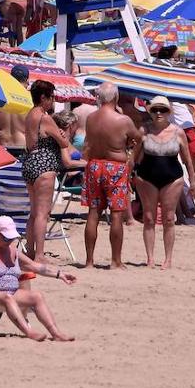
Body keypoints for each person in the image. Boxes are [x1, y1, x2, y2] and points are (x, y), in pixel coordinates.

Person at [0, 216, 76, 341]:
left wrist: (60, 274)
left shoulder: (11, 250)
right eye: (6, 238)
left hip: (9, 292)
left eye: (11, 238)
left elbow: (34, 266)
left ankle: (56, 333)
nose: (9, 241)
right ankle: (29, 331)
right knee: (7, 298)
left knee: (37, 296)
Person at [22, 81, 85, 262]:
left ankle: (30, 251)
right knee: (43, 213)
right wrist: (62, 136)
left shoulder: (30, 115)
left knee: (34, 213)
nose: (53, 101)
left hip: (29, 163)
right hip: (44, 166)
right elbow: (64, 143)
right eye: (52, 97)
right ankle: (40, 255)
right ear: (44, 98)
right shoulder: (44, 117)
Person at [81, 82, 140, 269]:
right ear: (115, 97)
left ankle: (89, 261)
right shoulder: (122, 120)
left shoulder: (91, 118)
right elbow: (138, 138)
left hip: (94, 165)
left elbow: (88, 144)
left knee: (93, 213)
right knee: (116, 214)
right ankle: (116, 260)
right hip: (115, 167)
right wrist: (131, 157)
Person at [133, 96, 195, 269]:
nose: (159, 113)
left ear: (169, 112)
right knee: (149, 218)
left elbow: (188, 161)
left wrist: (194, 184)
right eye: (155, 110)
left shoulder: (178, 132)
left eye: (163, 110)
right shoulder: (144, 130)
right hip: (146, 178)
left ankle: (168, 259)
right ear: (150, 111)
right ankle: (150, 258)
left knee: (169, 218)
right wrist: (128, 177)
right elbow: (133, 158)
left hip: (173, 179)